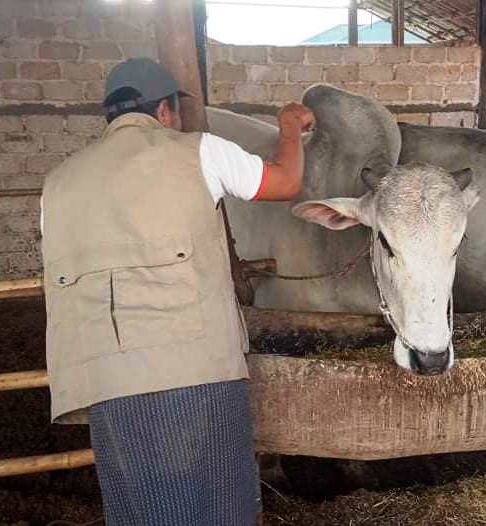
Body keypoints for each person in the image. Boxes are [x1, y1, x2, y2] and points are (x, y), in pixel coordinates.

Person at [40, 57, 314, 526]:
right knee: (220, 507)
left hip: (104, 381)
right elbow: (285, 182)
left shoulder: (57, 183)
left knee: (142, 509)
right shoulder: (199, 151)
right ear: (164, 110)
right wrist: (289, 127)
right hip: (194, 370)